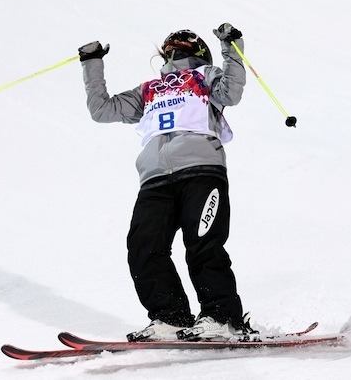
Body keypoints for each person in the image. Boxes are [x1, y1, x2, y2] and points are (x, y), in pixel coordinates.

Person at [78, 23, 256, 342]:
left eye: (183, 44)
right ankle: (171, 318)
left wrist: (232, 45)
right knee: (144, 248)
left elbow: (232, 92)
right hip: (155, 179)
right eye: (171, 45)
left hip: (201, 168)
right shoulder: (150, 90)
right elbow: (102, 110)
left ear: (198, 50)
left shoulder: (206, 76)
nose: (174, 48)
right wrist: (92, 62)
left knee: (202, 244)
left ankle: (222, 318)